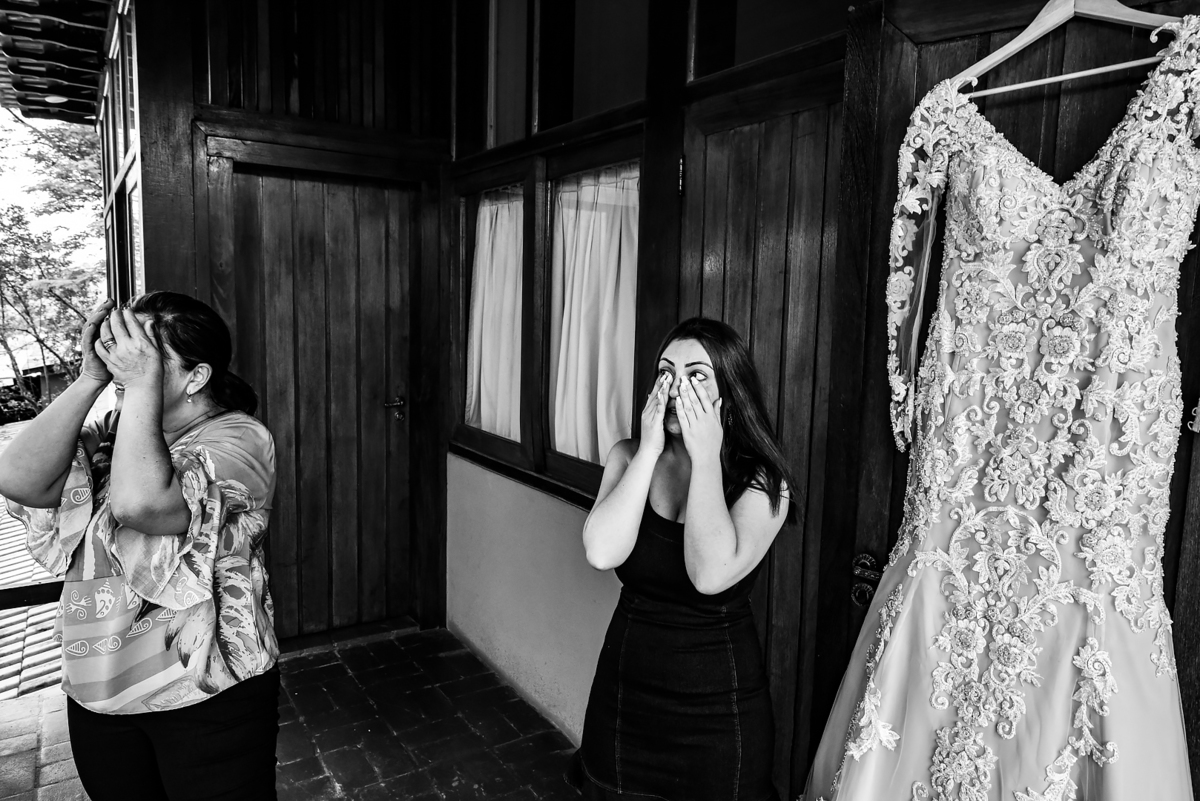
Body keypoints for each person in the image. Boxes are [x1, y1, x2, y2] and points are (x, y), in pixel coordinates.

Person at [0, 292, 280, 801]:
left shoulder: (241, 439)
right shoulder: (112, 429)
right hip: (100, 685)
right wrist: (90, 378)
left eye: (144, 355)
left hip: (207, 688)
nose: (124, 364)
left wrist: (140, 384)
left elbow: (141, 505)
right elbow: (17, 478)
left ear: (197, 376)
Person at [570, 317, 794, 801]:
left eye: (696, 376)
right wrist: (650, 449)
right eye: (666, 373)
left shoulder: (764, 484)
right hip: (624, 697)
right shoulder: (628, 457)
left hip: (717, 712)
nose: (674, 389)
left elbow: (709, 575)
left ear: (728, 394)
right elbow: (601, 551)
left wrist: (706, 456)